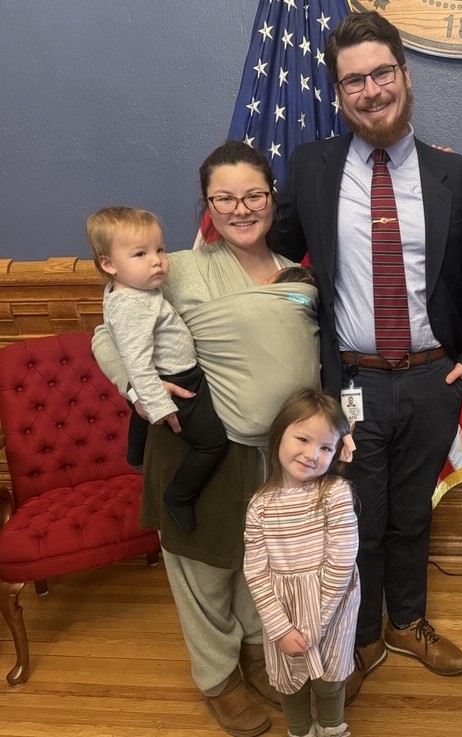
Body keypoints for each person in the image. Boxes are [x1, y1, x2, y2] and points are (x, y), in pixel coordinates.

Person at [275, 11, 462, 703]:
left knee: (412, 511)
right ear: (337, 94)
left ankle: (408, 620)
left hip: (434, 376)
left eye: (381, 74)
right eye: (353, 82)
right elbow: (270, 246)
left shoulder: (456, 172)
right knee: (359, 515)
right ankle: (363, 630)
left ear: (404, 75)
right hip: (350, 382)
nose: (369, 91)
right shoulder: (310, 167)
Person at [93, 140, 327, 737]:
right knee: (201, 571)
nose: (240, 208)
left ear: (273, 198)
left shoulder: (298, 274)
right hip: (200, 444)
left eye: (253, 194)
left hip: (275, 458)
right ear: (207, 205)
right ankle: (217, 679)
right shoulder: (177, 267)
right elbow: (106, 337)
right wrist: (138, 391)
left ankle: (255, 655)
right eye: (224, 197)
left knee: (256, 566)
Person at [86, 206, 227, 532]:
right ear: (109, 264)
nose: (158, 260)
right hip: (176, 381)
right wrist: (157, 404)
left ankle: (135, 451)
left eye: (159, 249)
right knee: (212, 443)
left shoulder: (129, 290)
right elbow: (137, 363)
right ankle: (179, 496)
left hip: (171, 373)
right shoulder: (133, 304)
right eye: (140, 254)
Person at [244, 388, 359, 737]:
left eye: (325, 448)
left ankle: (331, 728)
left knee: (329, 679)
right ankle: (299, 731)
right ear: (279, 434)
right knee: (289, 682)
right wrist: (280, 627)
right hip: (284, 607)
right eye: (303, 439)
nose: (312, 454)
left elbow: (341, 563)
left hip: (332, 605)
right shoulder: (259, 505)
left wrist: (316, 623)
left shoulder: (336, 493)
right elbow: (256, 572)